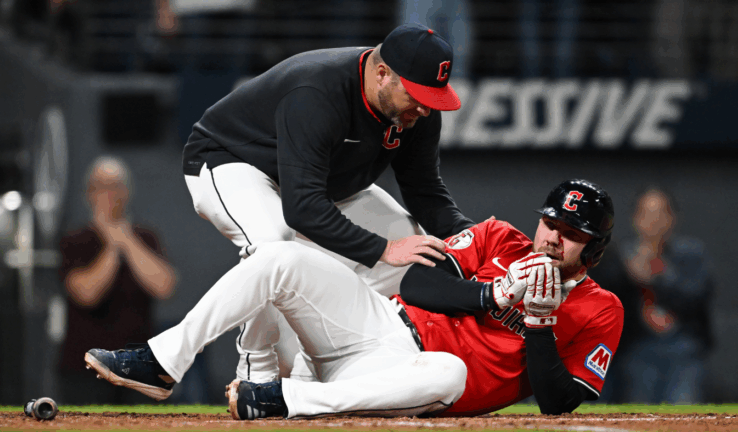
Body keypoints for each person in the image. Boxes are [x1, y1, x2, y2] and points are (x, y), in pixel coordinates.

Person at [84, 179, 623, 418]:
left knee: (450, 373)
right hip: (377, 326)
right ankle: (163, 360)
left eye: (570, 232)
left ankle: (283, 399)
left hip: (417, 378)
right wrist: (491, 292)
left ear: (592, 250)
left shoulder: (602, 309)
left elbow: (557, 401)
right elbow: (415, 283)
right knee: (278, 255)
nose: (552, 236)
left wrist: (538, 320)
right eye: (550, 221)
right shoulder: (500, 237)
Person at [179, 22, 474, 382]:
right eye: (416, 95)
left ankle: (313, 369)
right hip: (232, 162)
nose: (425, 109)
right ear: (382, 74)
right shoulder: (319, 88)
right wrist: (383, 248)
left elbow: (424, 190)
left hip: (318, 186)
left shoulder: (415, 108)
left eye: (432, 97)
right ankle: (257, 368)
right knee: (274, 244)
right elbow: (302, 208)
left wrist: (476, 237)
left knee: (414, 245)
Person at [58, 156, 177, 404]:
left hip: (138, 368)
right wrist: (113, 246)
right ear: (89, 193)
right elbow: (86, 294)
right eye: (101, 186)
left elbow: (164, 286)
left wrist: (126, 239)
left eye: (115, 186)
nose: (109, 194)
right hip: (86, 369)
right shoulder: (76, 240)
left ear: (127, 192)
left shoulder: (145, 237)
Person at [597, 188, 713, 403]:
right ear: (635, 219)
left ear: (672, 218)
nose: (654, 222)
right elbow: (605, 305)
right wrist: (629, 276)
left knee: (684, 407)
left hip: (683, 348)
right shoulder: (619, 256)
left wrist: (660, 275)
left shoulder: (690, 255)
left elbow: (697, 298)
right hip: (637, 349)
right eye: (647, 215)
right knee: (640, 410)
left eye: (660, 214)